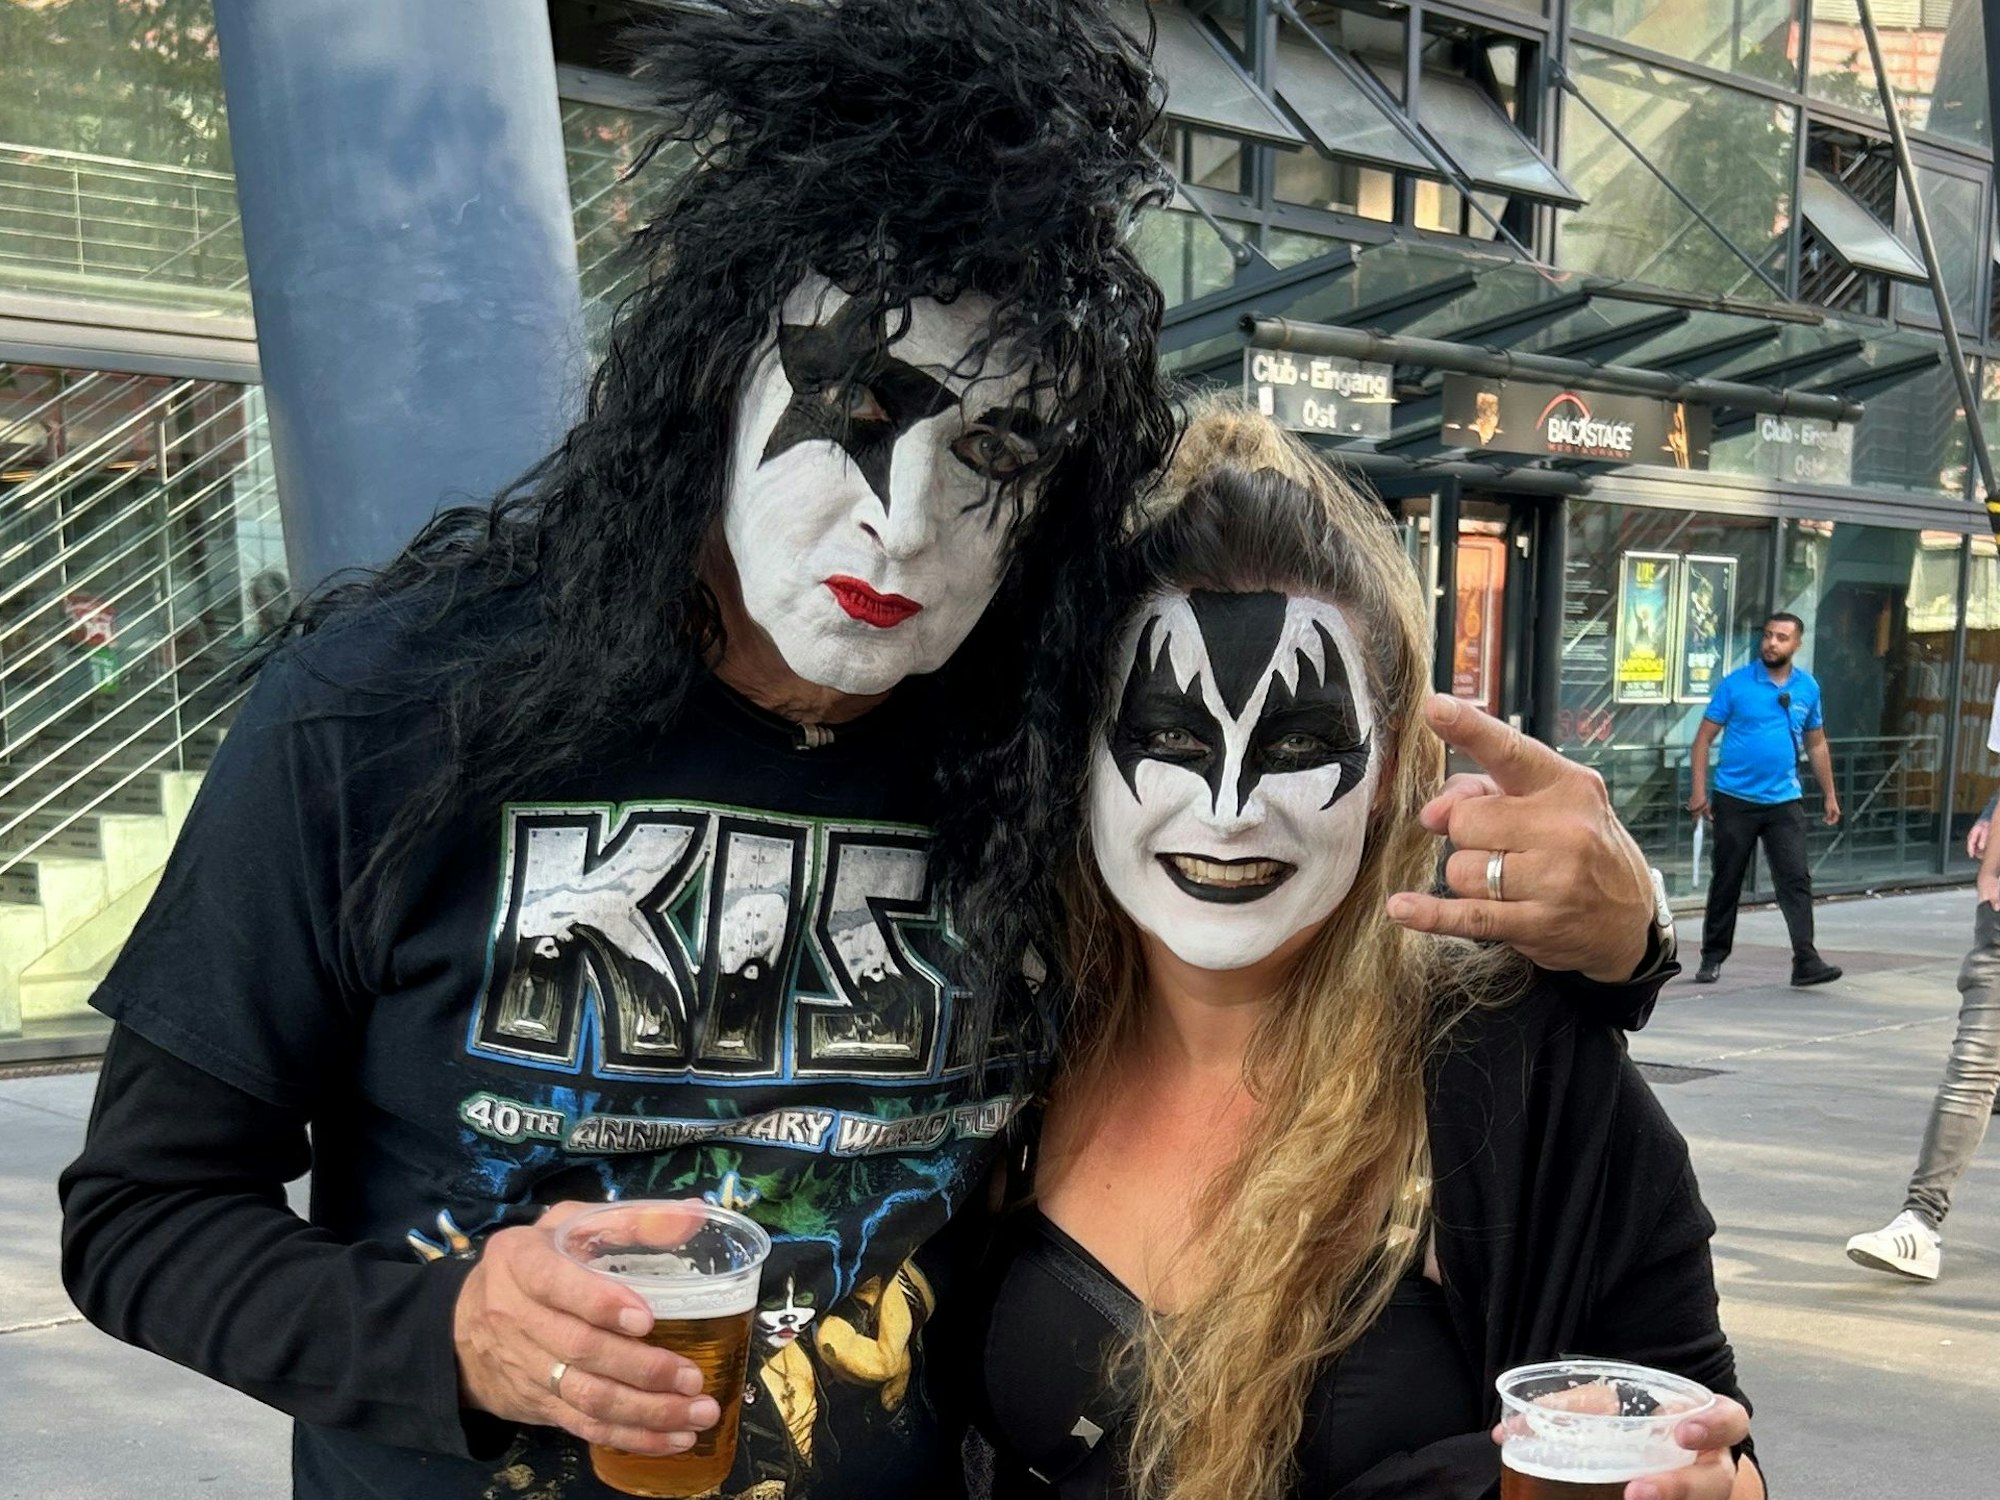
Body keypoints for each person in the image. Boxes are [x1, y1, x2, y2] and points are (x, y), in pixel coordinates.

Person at [60, 6, 1672, 1499]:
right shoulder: (391, 709)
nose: (906, 524)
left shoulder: (1026, 737)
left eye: (994, 452)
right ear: (715, 374)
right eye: (857, 405)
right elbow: (138, 1216)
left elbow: (1259, 935)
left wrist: (1621, 948)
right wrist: (448, 1339)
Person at [965, 403, 1757, 1500]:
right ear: (1086, 759)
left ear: (1389, 773)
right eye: (1169, 738)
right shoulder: (1006, 1045)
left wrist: (1713, 1487)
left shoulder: (1517, 1072)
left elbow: (1706, 1439)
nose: (1230, 809)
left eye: (1297, 745)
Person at [1686, 612, 1842, 987]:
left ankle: (1806, 960)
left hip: (1783, 801)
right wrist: (1698, 791)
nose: (1772, 643)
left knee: (1795, 879)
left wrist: (1830, 795)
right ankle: (1712, 957)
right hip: (1734, 799)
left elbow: (1816, 742)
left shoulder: (1808, 688)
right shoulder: (1736, 685)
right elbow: (1703, 740)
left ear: (1796, 645)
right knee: (1727, 879)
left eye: (1782, 637)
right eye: (1769, 636)